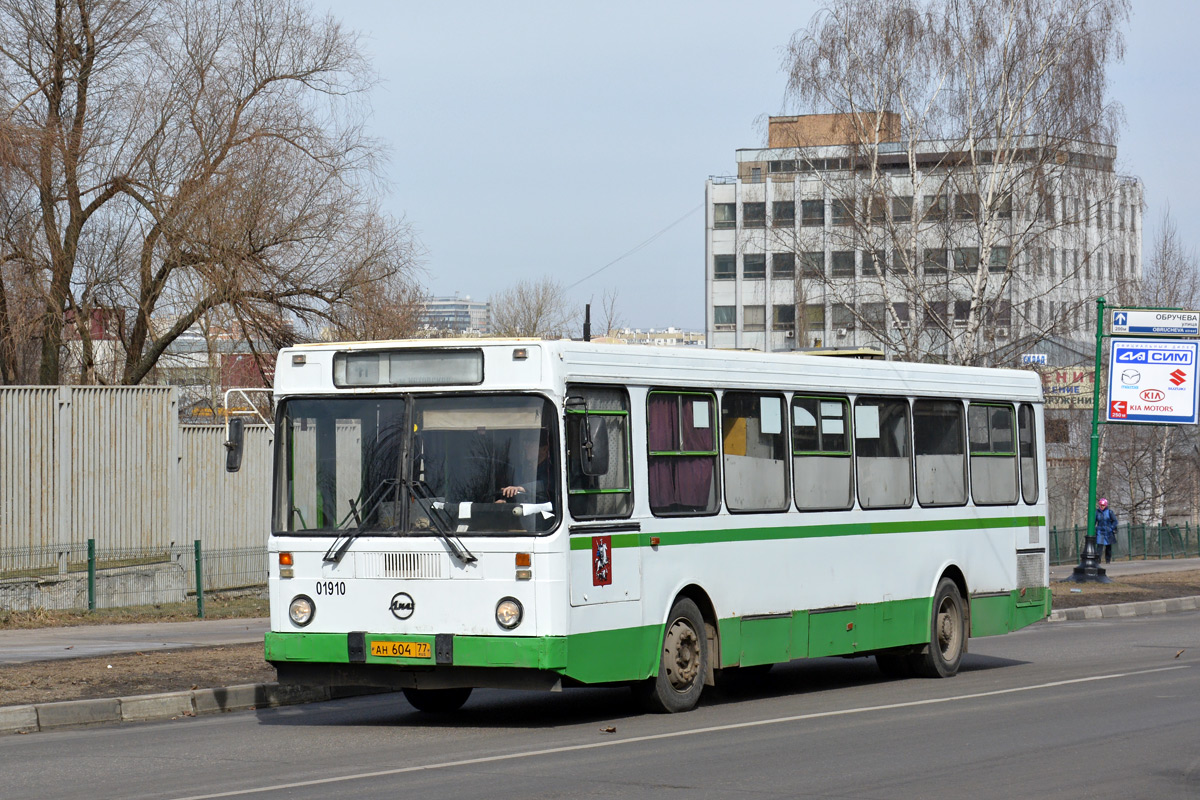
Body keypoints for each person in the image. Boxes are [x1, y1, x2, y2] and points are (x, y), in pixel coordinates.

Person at [499, 433, 551, 504]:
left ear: (544, 449)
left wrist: (522, 488)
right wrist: (506, 502)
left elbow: (546, 483)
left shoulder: (551, 469)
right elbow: (519, 496)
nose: (526, 447)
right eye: (525, 443)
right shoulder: (522, 470)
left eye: (530, 444)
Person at [1095, 497, 1118, 564]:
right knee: (1099, 546)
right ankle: (1098, 560)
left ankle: (1108, 560)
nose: (1102, 507)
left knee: (1108, 546)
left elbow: (1115, 521)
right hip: (1100, 531)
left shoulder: (1110, 512)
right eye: (1101, 505)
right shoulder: (1097, 512)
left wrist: (1111, 528)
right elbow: (1094, 521)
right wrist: (1095, 529)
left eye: (1103, 505)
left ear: (1106, 505)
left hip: (1108, 531)